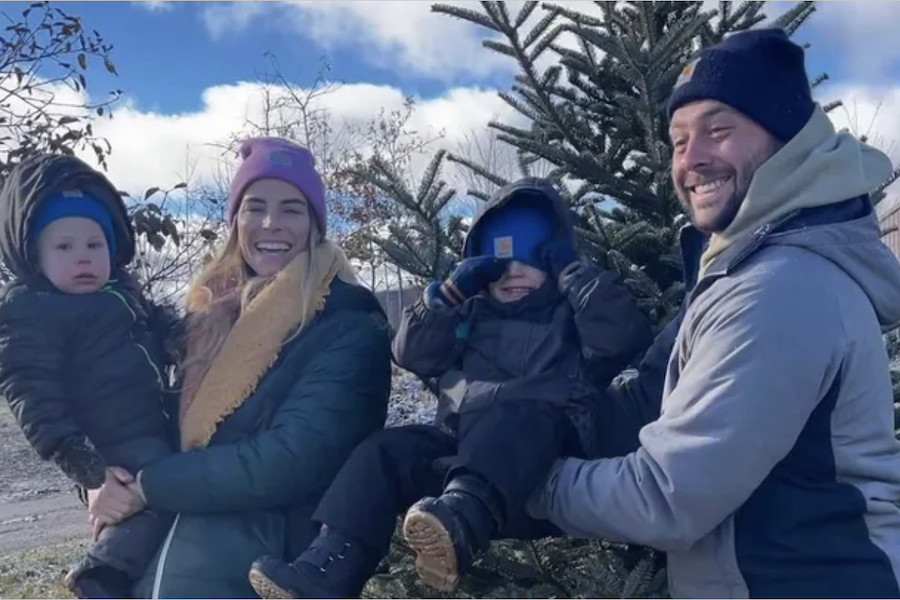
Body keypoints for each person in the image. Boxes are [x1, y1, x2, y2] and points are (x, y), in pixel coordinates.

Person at [529, 28, 900, 598]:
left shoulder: (781, 289)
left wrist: (527, 480)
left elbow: (668, 496)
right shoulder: (757, 269)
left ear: (787, 140)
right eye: (678, 141)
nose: (691, 159)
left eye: (718, 130)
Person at [248, 176, 654, 599]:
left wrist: (578, 278)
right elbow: (411, 354)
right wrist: (445, 297)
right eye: (499, 260)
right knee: (384, 451)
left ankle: (461, 522)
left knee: (522, 411)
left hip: (544, 463)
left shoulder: (570, 315)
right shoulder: (471, 315)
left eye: (531, 257)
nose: (513, 271)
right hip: (461, 455)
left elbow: (622, 339)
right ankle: (329, 567)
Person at [84, 137, 393, 599]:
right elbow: (143, 418)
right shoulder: (207, 316)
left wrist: (148, 487)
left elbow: (293, 459)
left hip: (264, 565)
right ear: (235, 221)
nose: (271, 223)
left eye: (291, 209)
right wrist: (103, 479)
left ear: (315, 224)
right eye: (255, 207)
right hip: (166, 550)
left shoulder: (350, 325)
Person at [0, 153, 182, 599]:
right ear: (34, 255)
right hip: (106, 445)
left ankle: (134, 574)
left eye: (94, 245)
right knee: (156, 494)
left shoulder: (123, 292)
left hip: (151, 427)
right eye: (64, 247)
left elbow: (157, 324)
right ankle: (101, 574)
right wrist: (85, 464)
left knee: (167, 501)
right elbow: (30, 390)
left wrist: (181, 334)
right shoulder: (31, 311)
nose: (82, 257)